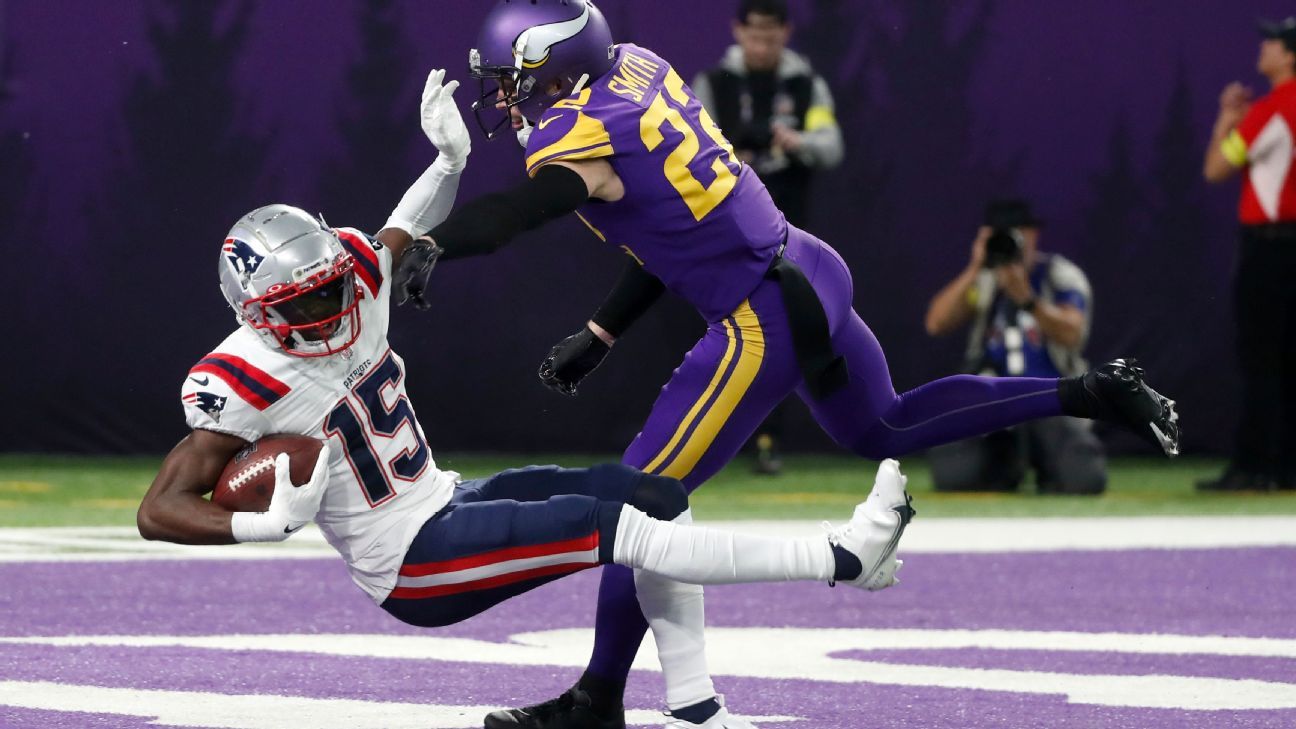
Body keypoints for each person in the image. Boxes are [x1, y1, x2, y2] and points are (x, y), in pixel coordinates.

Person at [398, 2, 1180, 726]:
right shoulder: (635, 67)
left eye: (514, 79)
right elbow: (663, 221)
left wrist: (439, 241)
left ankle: (598, 697)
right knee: (888, 425)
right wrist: (602, 331)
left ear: (557, 66)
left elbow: (519, 214)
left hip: (757, 317)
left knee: (634, 507)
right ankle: (1089, 390)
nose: (505, 97)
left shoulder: (577, 139)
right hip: (805, 264)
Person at [133, 69, 917, 729]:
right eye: (303, 304)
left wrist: (448, 159)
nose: (331, 306)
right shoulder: (237, 378)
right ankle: (843, 558)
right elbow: (159, 507)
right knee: (622, 525)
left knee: (654, 492)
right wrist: (258, 523)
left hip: (445, 499)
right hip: (413, 566)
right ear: (258, 314)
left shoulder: (355, 280)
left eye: (332, 284)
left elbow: (401, 230)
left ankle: (694, 708)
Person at [691, 0, 846, 474]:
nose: (762, 46)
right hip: (724, 231)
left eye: (772, 37)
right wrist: (741, 146)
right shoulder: (713, 83)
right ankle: (711, 437)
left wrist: (796, 142)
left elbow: (831, 145)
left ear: (786, 33)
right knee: (723, 331)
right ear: (738, 31)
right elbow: (694, 149)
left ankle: (769, 440)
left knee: (783, 331)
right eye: (754, 35)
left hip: (788, 234)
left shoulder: (805, 85)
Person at [923, 200, 1107, 495]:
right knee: (954, 475)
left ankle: (1048, 465)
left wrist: (1028, 300)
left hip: (1051, 398)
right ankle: (1004, 465)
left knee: (1084, 479)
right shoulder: (982, 282)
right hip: (991, 401)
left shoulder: (1059, 276)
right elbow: (936, 323)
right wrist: (975, 267)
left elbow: (1073, 333)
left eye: (1020, 233)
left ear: (1034, 234)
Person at [1200, 17, 1296, 492]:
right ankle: (1286, 467)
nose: (1264, 47)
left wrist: (1225, 119)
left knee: (1261, 359)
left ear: (1290, 56)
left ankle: (1256, 467)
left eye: (1273, 43)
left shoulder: (1273, 110)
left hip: (1272, 250)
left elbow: (1217, 167)